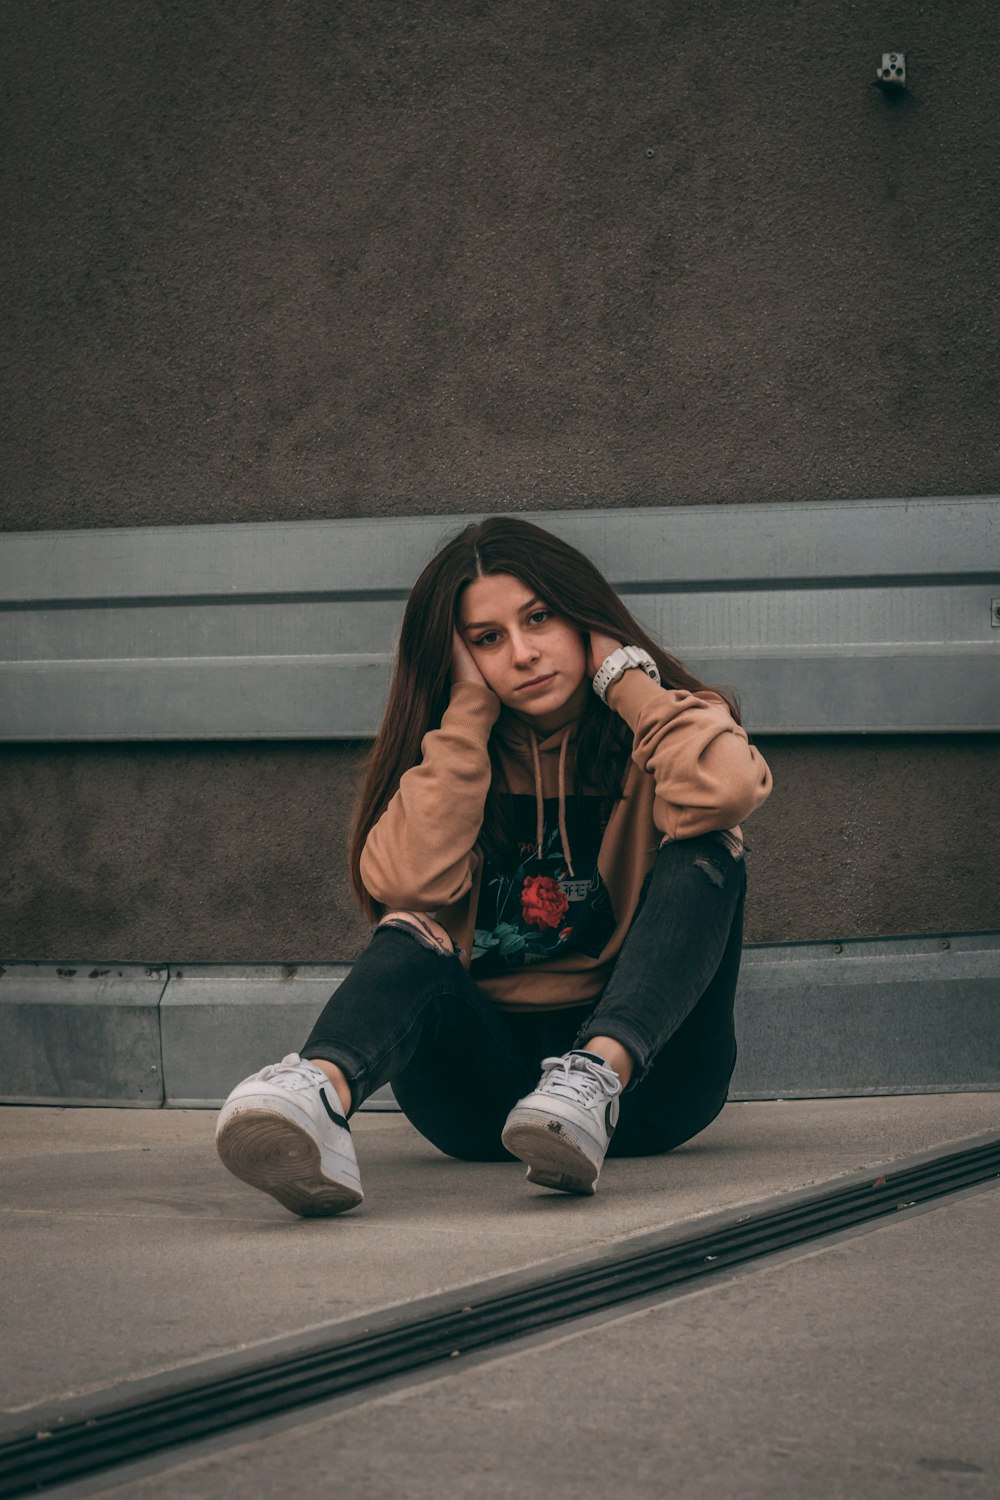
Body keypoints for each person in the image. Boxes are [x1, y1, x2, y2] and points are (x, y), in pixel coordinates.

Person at [215, 516, 773, 1215]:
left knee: (708, 844)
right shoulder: (452, 755)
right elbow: (404, 885)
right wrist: (469, 714)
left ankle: (592, 1079)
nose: (523, 654)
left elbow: (723, 791)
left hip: (650, 1089)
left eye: (540, 618)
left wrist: (627, 681)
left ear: (584, 618)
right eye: (488, 639)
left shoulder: (665, 726)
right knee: (411, 923)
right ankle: (318, 1093)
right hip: (476, 1103)